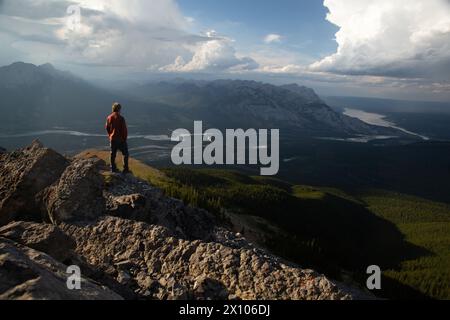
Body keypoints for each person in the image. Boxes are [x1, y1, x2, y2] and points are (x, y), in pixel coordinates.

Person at [106, 102, 130, 173]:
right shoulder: (121, 118)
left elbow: (107, 127)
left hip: (113, 139)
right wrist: (124, 139)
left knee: (113, 153)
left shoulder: (109, 117)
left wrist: (110, 135)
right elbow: (124, 130)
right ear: (119, 109)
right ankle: (125, 169)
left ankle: (113, 168)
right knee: (125, 154)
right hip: (121, 139)